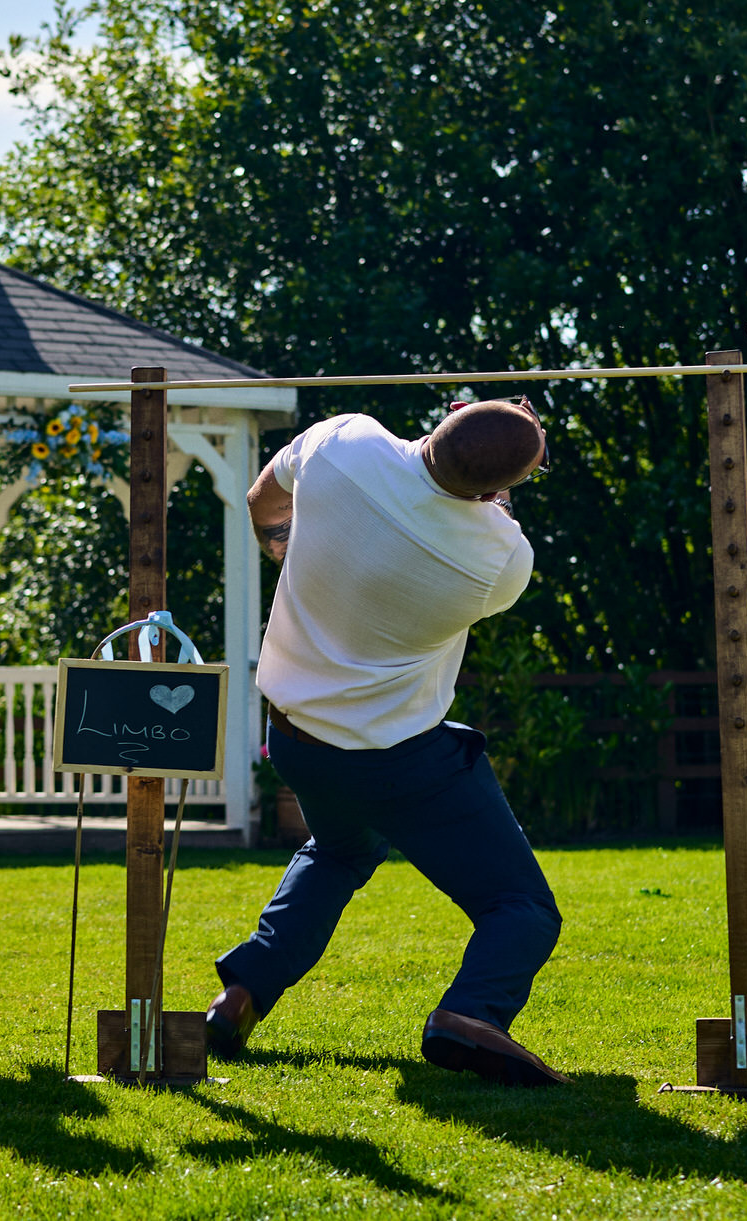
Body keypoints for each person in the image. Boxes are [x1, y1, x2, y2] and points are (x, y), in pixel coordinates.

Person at [206, 399, 571, 1085]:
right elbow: (479, 526)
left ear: (449, 411)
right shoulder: (502, 557)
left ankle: (242, 993)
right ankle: (472, 1012)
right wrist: (495, 505)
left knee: (340, 851)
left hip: (296, 741)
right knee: (521, 908)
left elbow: (263, 498)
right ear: (498, 492)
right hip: (401, 759)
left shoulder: (343, 441)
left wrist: (282, 545)